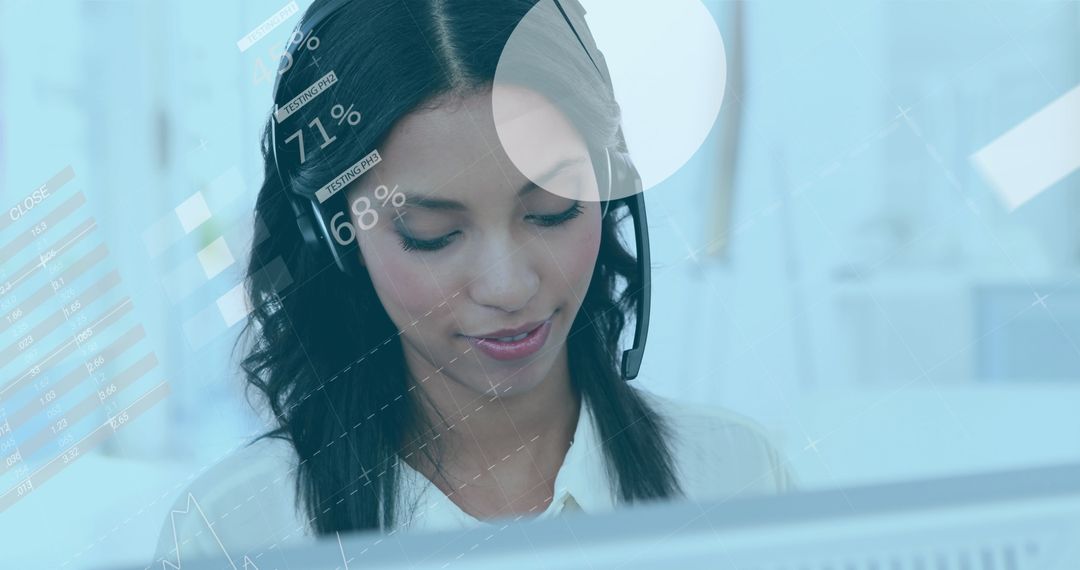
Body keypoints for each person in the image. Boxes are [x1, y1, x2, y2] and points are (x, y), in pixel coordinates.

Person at [153, 0, 796, 565]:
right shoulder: (234, 537)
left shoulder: (738, 479)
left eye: (553, 210)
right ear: (332, 235)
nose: (509, 286)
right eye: (431, 233)